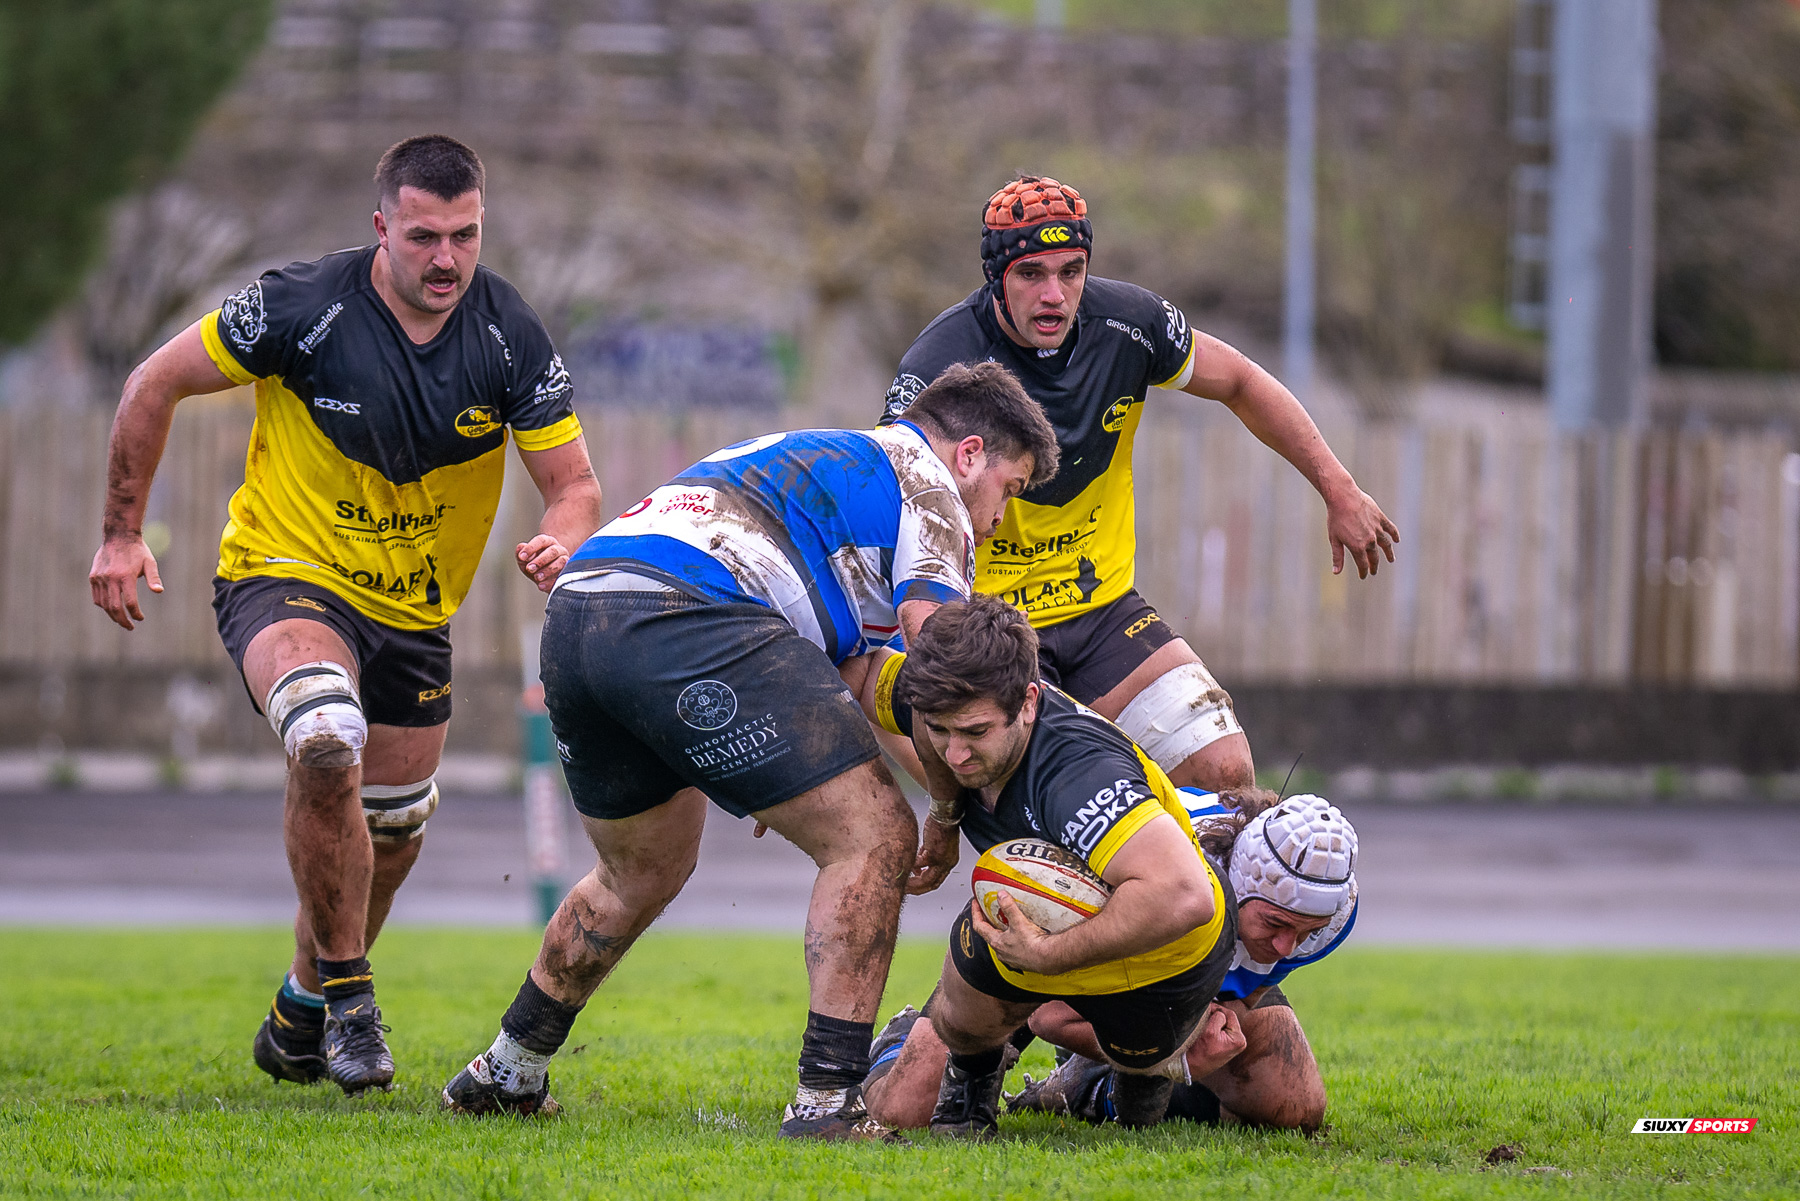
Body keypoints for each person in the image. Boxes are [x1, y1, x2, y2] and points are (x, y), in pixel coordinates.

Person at [87, 135, 603, 1096]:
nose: (446, 259)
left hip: (412, 613)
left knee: (394, 826)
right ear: (381, 228)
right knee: (325, 732)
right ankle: (355, 1001)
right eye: (423, 237)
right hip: (284, 574)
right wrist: (121, 533)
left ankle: (301, 1007)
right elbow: (150, 383)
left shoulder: (507, 334)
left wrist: (566, 536)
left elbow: (573, 483)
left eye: (466, 235)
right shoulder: (299, 305)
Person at [439, 362, 1059, 1140]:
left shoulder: (831, 476)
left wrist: (928, 791)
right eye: (1010, 488)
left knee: (641, 870)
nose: (1002, 519)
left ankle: (508, 1067)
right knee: (876, 838)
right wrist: (995, 780)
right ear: (969, 453)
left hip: (584, 609)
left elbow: (868, 682)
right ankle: (828, 1099)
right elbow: (942, 657)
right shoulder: (931, 490)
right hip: (693, 608)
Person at [880, 175, 1399, 796]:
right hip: (991, 626)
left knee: (1225, 772)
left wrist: (1337, 487)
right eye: (1032, 274)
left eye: (1071, 271)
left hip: (1100, 608)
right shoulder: (939, 363)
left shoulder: (1129, 323)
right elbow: (889, 498)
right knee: (1050, 808)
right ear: (996, 276)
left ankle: (1223, 897)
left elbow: (1240, 381)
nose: (1054, 295)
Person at [860, 595, 1242, 1138]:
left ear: (1030, 703)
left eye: (975, 733)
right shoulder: (942, 700)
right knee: (906, 1103)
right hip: (1036, 912)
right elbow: (852, 673)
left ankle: (1124, 1078)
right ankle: (971, 1078)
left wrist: (1048, 955)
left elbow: (1183, 895)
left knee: (1169, 1092)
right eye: (941, 732)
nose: (956, 755)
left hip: (1166, 949)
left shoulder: (1078, 776)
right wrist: (806, 779)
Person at [863, 788, 1359, 1134]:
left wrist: (1203, 1026)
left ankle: (1087, 1089)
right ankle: (902, 1038)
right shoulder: (1169, 884)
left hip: (1177, 966)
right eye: (1275, 925)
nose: (1286, 947)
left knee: (1293, 1105)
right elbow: (1049, 1013)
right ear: (1239, 888)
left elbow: (1251, 979)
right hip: (1056, 948)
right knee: (906, 1109)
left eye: (1305, 932)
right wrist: (1174, 1055)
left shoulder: (1314, 911)